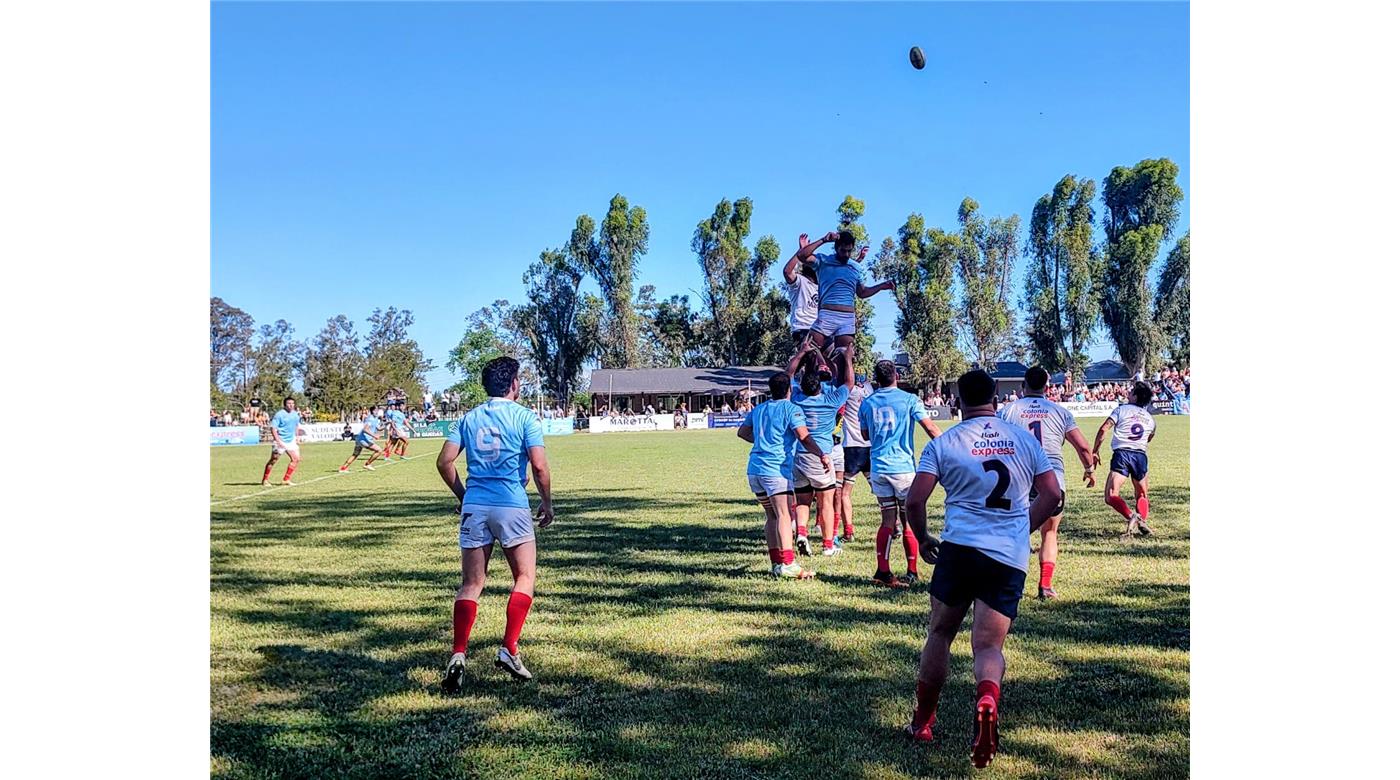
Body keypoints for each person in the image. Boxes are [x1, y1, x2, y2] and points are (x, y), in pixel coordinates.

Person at [901, 369, 1062, 766]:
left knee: (940, 633)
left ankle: (922, 722)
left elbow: (915, 501)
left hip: (959, 550)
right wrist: (1021, 528)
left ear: (957, 399)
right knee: (988, 646)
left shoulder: (945, 442)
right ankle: (987, 697)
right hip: (1006, 556)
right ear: (996, 396)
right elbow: (1054, 494)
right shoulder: (1024, 440)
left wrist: (922, 540)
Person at [438, 357, 554, 692]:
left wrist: (463, 494)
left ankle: (459, 654)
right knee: (524, 577)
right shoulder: (525, 417)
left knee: (471, 584)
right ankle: (509, 649)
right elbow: (540, 467)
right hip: (512, 506)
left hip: (475, 505)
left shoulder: (468, 417)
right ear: (515, 383)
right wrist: (546, 504)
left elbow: (444, 462)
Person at [996, 367, 1097, 599]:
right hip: (1051, 478)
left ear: (1023, 385)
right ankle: (1045, 586)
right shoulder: (1059, 412)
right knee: (1049, 532)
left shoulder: (1008, 410)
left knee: (1015, 531)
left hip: (1018, 478)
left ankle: (1010, 585)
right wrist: (1089, 469)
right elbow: (1082, 446)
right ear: (1048, 387)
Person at [859, 360, 943, 588]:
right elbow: (930, 428)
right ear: (896, 375)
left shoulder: (867, 403)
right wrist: (949, 448)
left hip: (878, 467)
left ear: (876, 377)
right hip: (903, 468)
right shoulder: (909, 400)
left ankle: (883, 571)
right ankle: (912, 570)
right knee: (908, 521)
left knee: (887, 519)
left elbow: (865, 435)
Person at [738, 371, 830, 579]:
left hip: (755, 469)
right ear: (789, 389)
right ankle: (788, 562)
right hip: (775, 470)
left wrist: (763, 443)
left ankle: (776, 563)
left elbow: (742, 432)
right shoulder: (791, 409)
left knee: (771, 515)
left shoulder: (760, 409)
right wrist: (822, 454)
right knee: (784, 515)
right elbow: (804, 437)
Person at [793, 229, 895, 376]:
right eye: (843, 250)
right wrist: (823, 239)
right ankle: (816, 377)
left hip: (847, 318)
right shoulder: (823, 261)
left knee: (844, 359)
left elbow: (861, 292)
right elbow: (802, 255)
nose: (846, 254)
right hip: (827, 314)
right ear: (836, 248)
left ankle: (841, 393)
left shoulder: (855, 267)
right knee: (808, 346)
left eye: (849, 251)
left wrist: (881, 286)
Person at [788, 344, 853, 557]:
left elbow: (788, 374)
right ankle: (827, 546)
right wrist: (848, 358)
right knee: (826, 501)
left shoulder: (797, 398)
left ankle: (802, 534)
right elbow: (848, 383)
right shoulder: (830, 400)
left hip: (800, 455)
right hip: (821, 456)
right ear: (820, 387)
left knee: (803, 501)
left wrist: (802, 353)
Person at [1093, 381, 1158, 538]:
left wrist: (1095, 450)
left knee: (1111, 495)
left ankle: (1131, 516)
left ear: (1135, 397)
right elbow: (1149, 437)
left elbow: (1103, 429)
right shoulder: (1150, 419)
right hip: (1140, 456)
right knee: (1142, 494)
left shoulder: (1121, 410)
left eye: (1131, 392)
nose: (1128, 394)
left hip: (1122, 454)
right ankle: (1142, 520)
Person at [838, 373, 873, 542]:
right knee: (880, 491)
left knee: (845, 493)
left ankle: (848, 532)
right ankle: (894, 525)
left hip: (851, 447)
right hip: (869, 446)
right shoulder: (869, 390)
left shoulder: (848, 391)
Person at [783, 233, 821, 348]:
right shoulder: (799, 281)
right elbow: (787, 272)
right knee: (811, 351)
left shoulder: (821, 287)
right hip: (802, 329)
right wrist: (801, 252)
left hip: (818, 330)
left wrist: (858, 260)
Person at [260, 397, 306, 486]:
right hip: (280, 440)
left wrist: (297, 437)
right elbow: (273, 428)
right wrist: (278, 441)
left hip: (291, 440)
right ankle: (265, 480)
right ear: (285, 404)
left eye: (292, 403)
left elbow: (296, 426)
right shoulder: (279, 414)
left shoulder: (295, 414)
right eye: (289, 403)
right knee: (273, 460)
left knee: (296, 459)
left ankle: (286, 479)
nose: (291, 405)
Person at [339, 406, 388, 472]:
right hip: (364, 440)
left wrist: (387, 424)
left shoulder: (375, 419)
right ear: (372, 411)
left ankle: (343, 468)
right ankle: (368, 464)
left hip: (359, 439)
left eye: (377, 410)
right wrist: (374, 436)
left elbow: (378, 428)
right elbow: (365, 429)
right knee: (379, 450)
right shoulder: (370, 419)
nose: (377, 412)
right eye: (376, 410)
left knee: (355, 454)